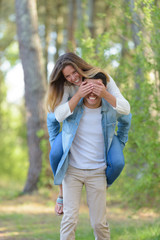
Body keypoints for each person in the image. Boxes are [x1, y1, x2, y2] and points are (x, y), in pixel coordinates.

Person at [47, 75, 132, 240]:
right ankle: (61, 195)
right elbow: (52, 119)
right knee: (70, 219)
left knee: (99, 223)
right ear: (81, 87)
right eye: (88, 88)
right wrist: (57, 144)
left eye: (97, 88)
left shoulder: (110, 109)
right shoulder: (72, 107)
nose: (92, 93)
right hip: (72, 171)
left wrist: (118, 145)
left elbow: (126, 119)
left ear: (104, 88)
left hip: (98, 172)